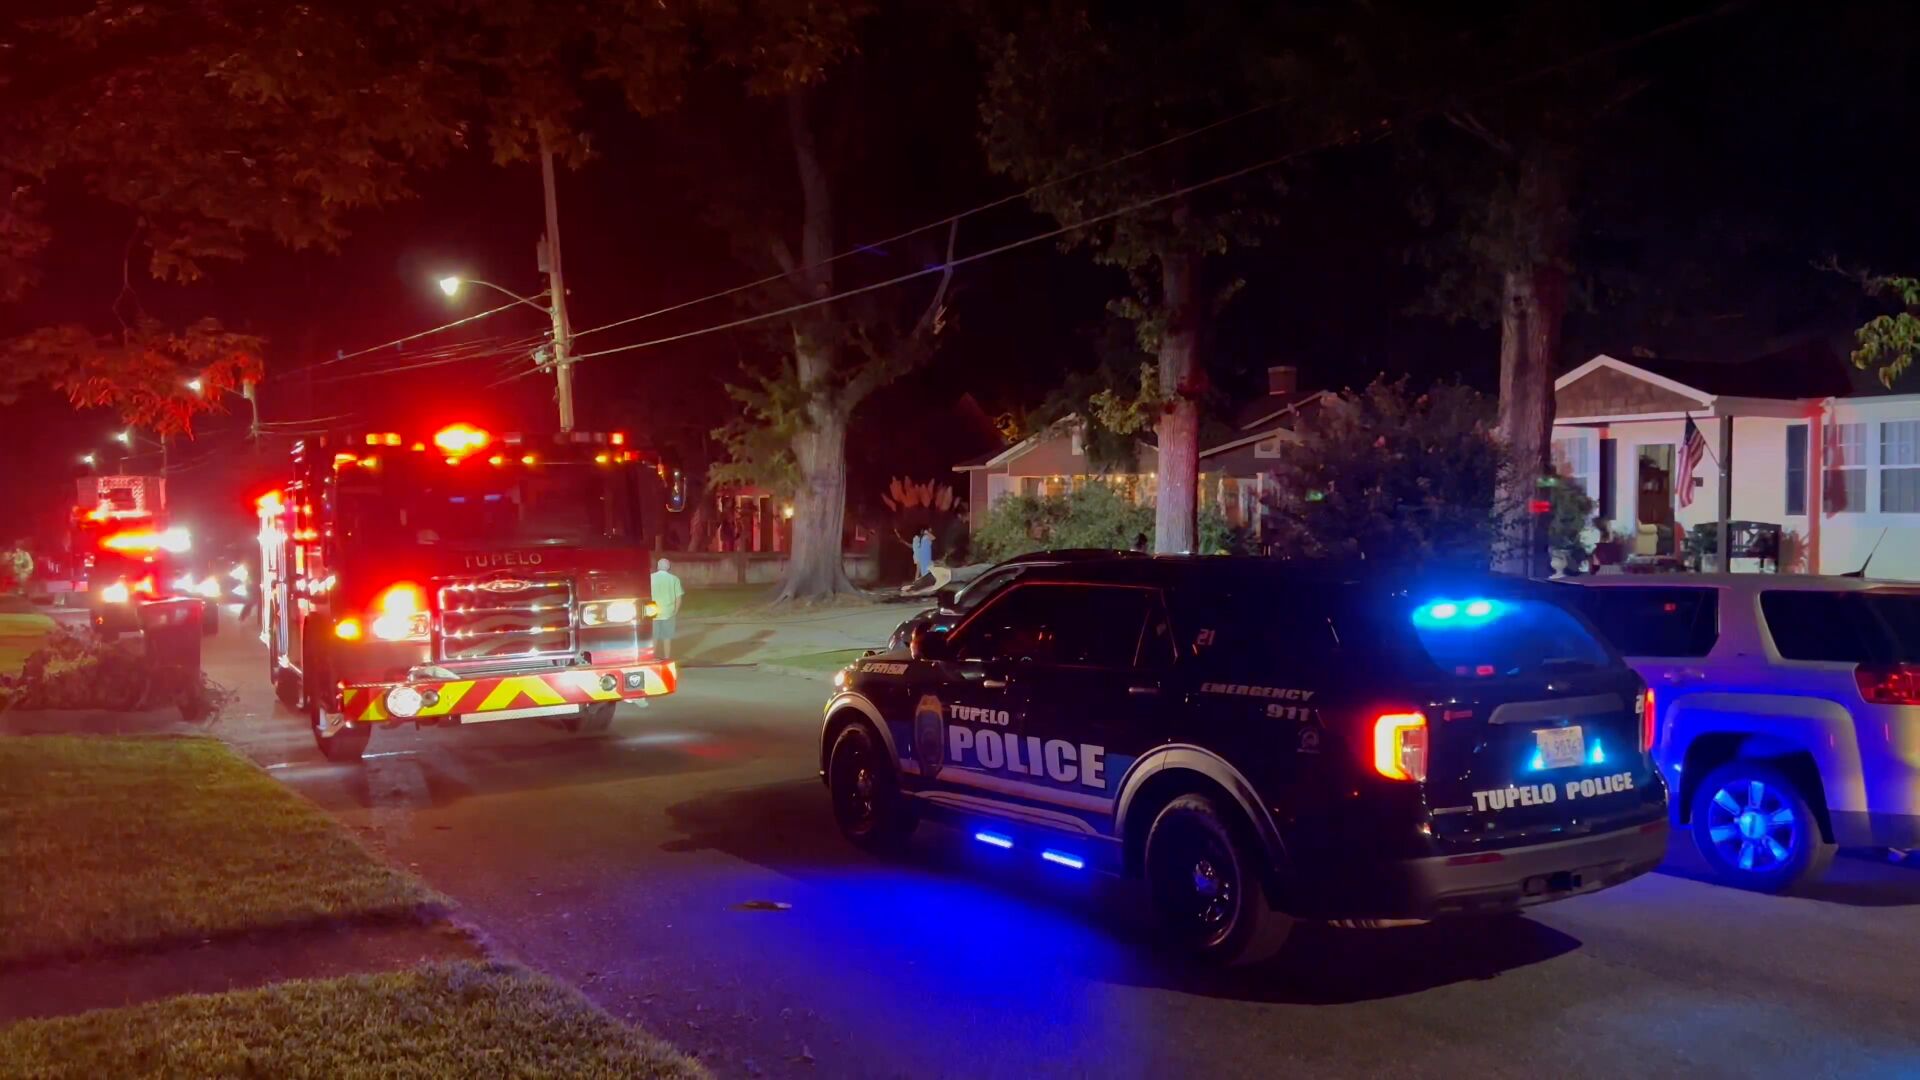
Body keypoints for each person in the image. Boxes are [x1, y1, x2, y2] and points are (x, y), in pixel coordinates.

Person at [650, 557, 685, 660]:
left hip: (653, 612)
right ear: (669, 567)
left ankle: (652, 656)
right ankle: (666, 657)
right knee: (667, 637)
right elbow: (678, 598)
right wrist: (675, 611)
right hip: (668, 612)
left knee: (653, 637)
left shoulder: (650, 578)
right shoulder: (674, 579)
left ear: (657, 567)